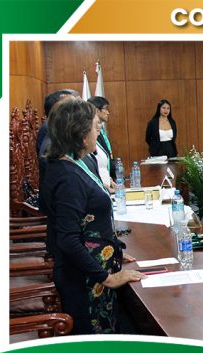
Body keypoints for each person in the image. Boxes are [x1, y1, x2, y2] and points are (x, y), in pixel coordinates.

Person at [40, 98, 145, 334]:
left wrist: (114, 250)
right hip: (84, 280)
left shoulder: (76, 163)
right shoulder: (67, 176)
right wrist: (107, 278)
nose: (98, 133)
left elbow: (90, 218)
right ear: (80, 133)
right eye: (95, 127)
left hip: (93, 270)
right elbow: (68, 239)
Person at [87, 96, 116, 191]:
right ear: (96, 110)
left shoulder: (101, 131)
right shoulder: (90, 133)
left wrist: (109, 178)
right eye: (105, 109)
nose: (108, 112)